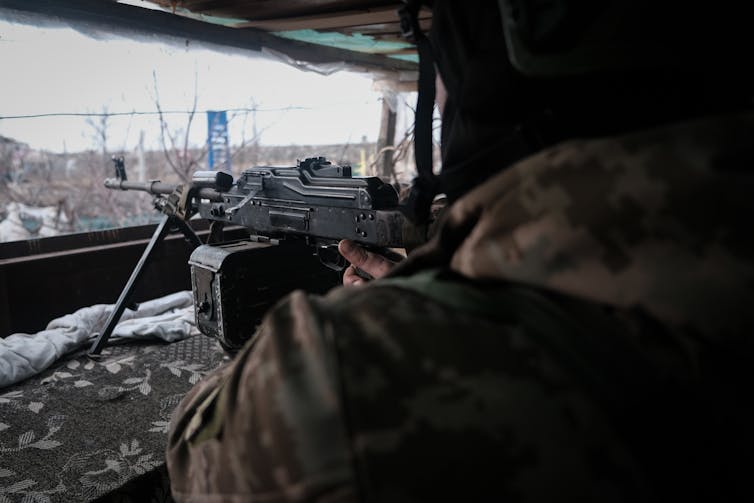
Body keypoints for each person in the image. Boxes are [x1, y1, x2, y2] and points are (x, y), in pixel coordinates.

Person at [166, 1, 754, 501]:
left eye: (438, 57)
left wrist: (408, 296)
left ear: (486, 69)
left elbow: (199, 455)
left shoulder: (342, 371)